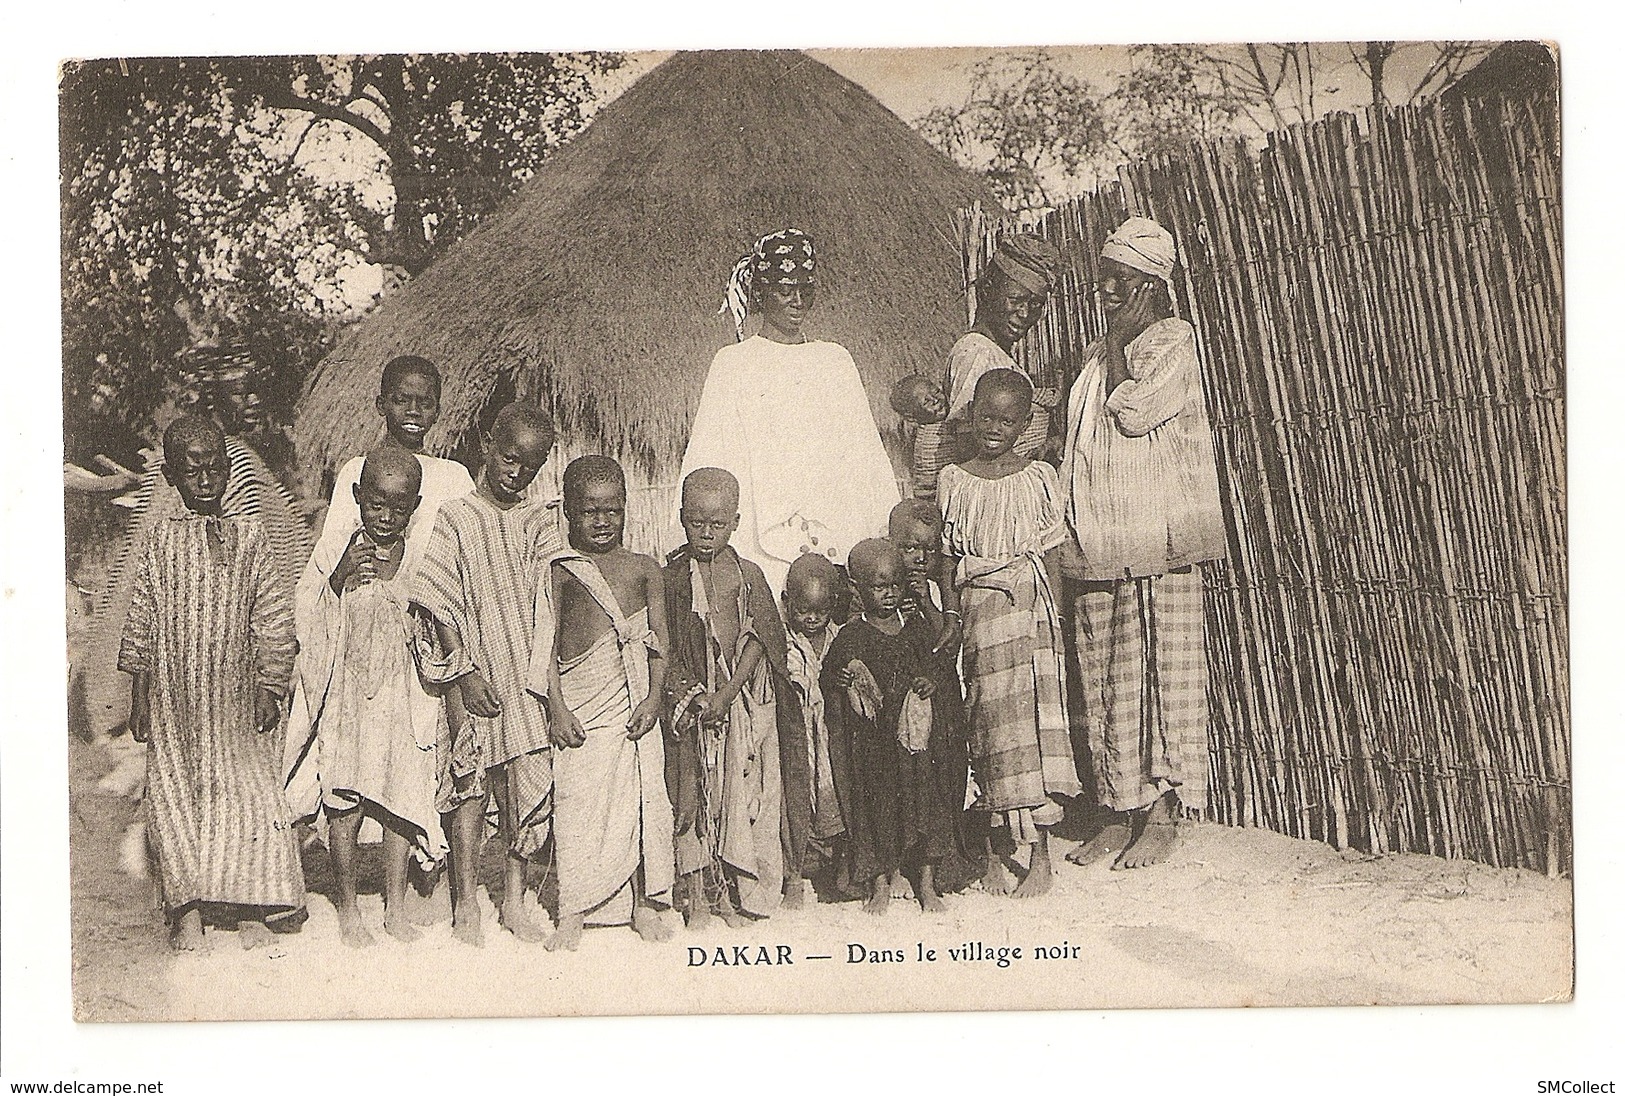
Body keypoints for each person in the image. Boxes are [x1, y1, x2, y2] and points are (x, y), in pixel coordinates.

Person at [1059, 216, 1226, 870]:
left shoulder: (1171, 342)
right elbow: (1080, 439)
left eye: (1119, 280)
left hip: (1154, 542)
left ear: (1151, 286)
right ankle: (1114, 810)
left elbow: (1134, 412)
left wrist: (1123, 339)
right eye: (1103, 277)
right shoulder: (1104, 350)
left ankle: (1159, 818)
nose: (1104, 289)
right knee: (1104, 676)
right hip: (1101, 539)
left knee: (1154, 676)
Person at [285, 355, 474, 900]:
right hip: (361, 643)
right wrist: (341, 575)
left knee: (424, 760)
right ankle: (345, 889)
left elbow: (457, 558)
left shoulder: (452, 477)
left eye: (425, 402)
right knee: (348, 759)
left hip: (428, 642)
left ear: (439, 407)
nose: (413, 412)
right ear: (381, 404)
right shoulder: (355, 471)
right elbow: (326, 567)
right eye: (402, 400)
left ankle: (426, 874)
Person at [118, 415, 303, 951]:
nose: (205, 479)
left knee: (244, 795)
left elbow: (271, 616)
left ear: (228, 468)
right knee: (176, 798)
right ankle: (188, 908)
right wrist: (140, 696)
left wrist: (270, 686)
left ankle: (248, 900)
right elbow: (143, 616)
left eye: (214, 467)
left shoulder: (250, 536)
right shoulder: (160, 542)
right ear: (173, 477)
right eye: (191, 470)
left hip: (233, 695)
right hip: (174, 698)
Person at [411, 402, 560, 946]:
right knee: (470, 790)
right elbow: (440, 601)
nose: (515, 471)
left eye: (530, 464)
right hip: (477, 676)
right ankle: (465, 902)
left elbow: (552, 596)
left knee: (526, 792)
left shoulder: (541, 519)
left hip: (526, 676)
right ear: (486, 444)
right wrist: (465, 673)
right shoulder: (456, 516)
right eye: (507, 456)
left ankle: (514, 898)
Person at [679, 228, 899, 594]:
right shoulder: (734, 364)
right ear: (762, 292)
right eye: (785, 289)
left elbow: (866, 461)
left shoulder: (834, 360)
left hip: (834, 540)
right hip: (759, 543)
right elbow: (711, 459)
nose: (797, 301)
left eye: (806, 290)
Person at [294, 447, 445, 947]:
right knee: (346, 800)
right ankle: (348, 907)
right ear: (358, 497)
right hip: (349, 700)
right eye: (376, 504)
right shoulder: (335, 548)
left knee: (401, 798)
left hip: (402, 699)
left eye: (398, 509)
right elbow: (307, 619)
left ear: (414, 507)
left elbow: (435, 617)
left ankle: (395, 907)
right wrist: (337, 579)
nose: (385, 517)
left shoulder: (420, 557)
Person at [939, 370, 1080, 897]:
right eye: (986, 416)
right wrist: (952, 617)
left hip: (1031, 618)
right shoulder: (954, 479)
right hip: (980, 617)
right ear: (971, 414)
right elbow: (947, 557)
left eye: (1007, 419)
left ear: (1024, 425)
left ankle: (1040, 855)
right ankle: (998, 852)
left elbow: (1051, 554)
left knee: (1037, 732)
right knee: (991, 727)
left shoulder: (1039, 477)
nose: (994, 428)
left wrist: (1058, 622)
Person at [531, 456, 675, 950]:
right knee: (576, 807)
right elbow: (543, 645)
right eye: (590, 510)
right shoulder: (560, 570)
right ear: (569, 511)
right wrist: (556, 706)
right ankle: (572, 911)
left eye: (612, 510)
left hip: (632, 704)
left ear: (626, 510)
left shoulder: (644, 568)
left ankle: (640, 905)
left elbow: (660, 641)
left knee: (636, 803)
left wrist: (655, 697)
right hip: (579, 708)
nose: (602, 521)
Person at [663, 468, 786, 926]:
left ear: (735, 521)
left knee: (741, 799)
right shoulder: (672, 577)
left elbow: (765, 637)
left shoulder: (748, 574)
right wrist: (696, 698)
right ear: (681, 518)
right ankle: (697, 894)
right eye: (697, 523)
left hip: (739, 707)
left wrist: (728, 694)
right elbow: (665, 643)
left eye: (717, 524)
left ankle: (734, 892)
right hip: (691, 709)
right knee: (693, 796)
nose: (707, 534)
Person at [822, 539, 962, 915]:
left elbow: (936, 664)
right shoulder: (851, 635)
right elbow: (830, 676)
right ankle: (880, 884)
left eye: (895, 586)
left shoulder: (914, 626)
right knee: (879, 814)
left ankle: (928, 886)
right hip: (875, 750)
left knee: (926, 810)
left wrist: (928, 681)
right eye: (878, 587)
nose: (888, 594)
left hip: (916, 746)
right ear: (857, 589)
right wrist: (841, 678)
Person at [916, 233, 1062, 496]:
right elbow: (971, 452)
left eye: (1035, 305)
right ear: (986, 290)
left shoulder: (993, 353)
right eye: (1015, 300)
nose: (1025, 314)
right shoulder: (977, 355)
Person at [780, 553, 845, 905]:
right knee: (797, 799)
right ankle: (794, 874)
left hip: (831, 734)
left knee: (833, 797)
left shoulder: (839, 636)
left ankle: (834, 872)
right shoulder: (784, 640)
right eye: (804, 609)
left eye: (821, 611)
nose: (812, 618)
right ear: (788, 602)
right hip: (798, 734)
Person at [890, 374, 950, 503]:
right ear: (911, 417)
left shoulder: (944, 424)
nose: (935, 400)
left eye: (936, 392)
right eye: (926, 402)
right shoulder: (929, 441)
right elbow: (928, 486)